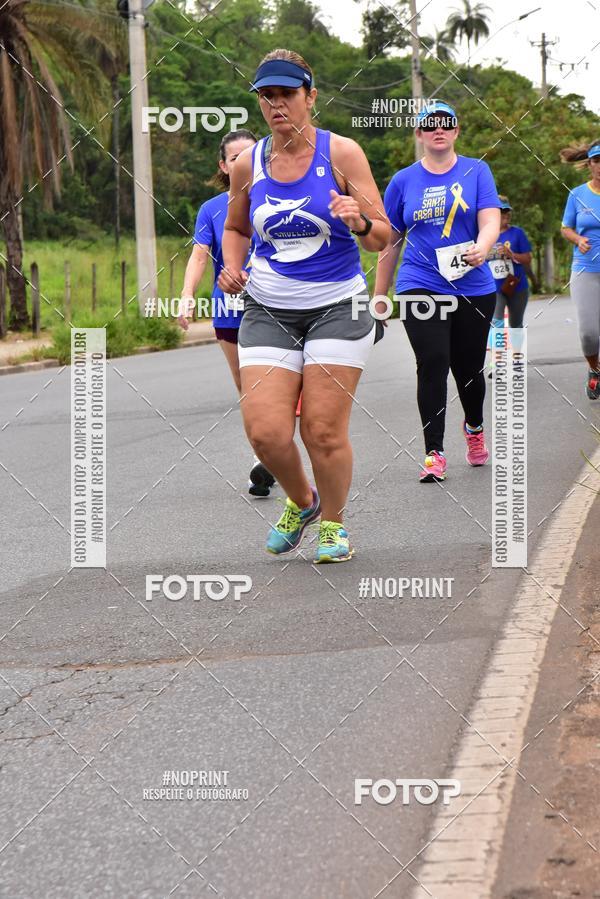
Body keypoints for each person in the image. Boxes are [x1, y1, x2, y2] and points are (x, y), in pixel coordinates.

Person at [218, 48, 390, 562]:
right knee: (266, 432)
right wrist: (233, 265)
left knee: (321, 428)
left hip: (337, 305)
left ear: (310, 97)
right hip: (268, 307)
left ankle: (333, 527)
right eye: (267, 97)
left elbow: (382, 235)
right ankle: (303, 500)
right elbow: (235, 227)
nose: (277, 105)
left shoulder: (342, 155)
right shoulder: (249, 162)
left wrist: (357, 220)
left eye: (287, 94)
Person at [375, 100, 501, 482]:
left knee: (468, 369)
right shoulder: (402, 181)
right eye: (430, 125)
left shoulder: (477, 171)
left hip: (473, 286)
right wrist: (380, 295)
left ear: (457, 131)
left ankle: (475, 429)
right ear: (419, 134)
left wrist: (484, 244)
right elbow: (390, 240)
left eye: (446, 123)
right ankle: (434, 452)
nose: (438, 130)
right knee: (432, 362)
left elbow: (490, 217)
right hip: (419, 284)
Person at [179, 129, 276, 497]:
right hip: (230, 309)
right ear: (224, 165)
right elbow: (199, 255)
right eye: (235, 157)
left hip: (277, 304)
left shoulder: (281, 195)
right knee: (248, 388)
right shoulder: (212, 209)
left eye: (251, 154)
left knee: (277, 387)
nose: (243, 161)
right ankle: (261, 460)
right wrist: (188, 295)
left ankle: (277, 450)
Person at [560, 139, 600, 399]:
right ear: (589, 164)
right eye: (596, 161)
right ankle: (594, 369)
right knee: (588, 332)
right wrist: (578, 239)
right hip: (586, 269)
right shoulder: (577, 194)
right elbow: (566, 228)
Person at [488, 195, 532, 329]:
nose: (506, 214)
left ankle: (518, 351)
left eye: (508, 211)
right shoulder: (485, 234)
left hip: (516, 285)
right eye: (502, 211)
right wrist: (493, 253)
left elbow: (527, 258)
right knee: (497, 322)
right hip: (494, 287)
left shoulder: (517, 233)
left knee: (516, 324)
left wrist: (511, 254)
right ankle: (499, 351)